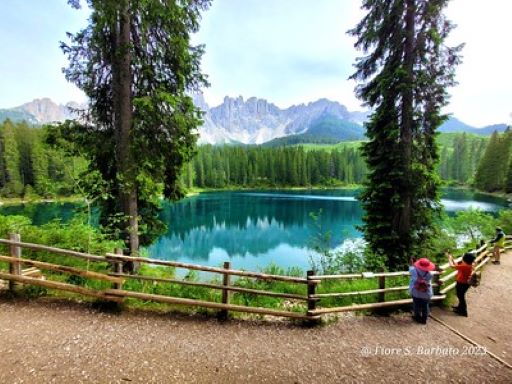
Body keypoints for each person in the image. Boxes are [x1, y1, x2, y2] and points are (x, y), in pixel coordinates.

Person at [447, 251, 476, 317]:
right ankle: (460, 308)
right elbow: (456, 264)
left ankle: (463, 311)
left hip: (462, 283)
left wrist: (449, 258)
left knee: (461, 297)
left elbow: (452, 266)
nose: (462, 257)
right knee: (460, 295)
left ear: (465, 259)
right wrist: (452, 259)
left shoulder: (465, 266)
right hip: (465, 283)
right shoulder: (470, 264)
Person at [409, 257, 435, 324]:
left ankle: (417, 317)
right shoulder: (430, 274)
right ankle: (424, 319)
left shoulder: (414, 271)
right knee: (425, 305)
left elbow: (411, 269)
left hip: (416, 291)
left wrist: (412, 263)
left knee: (416, 305)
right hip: (426, 292)